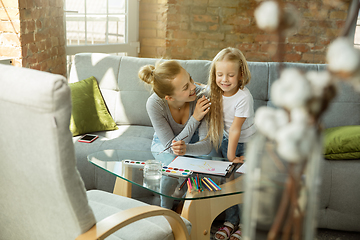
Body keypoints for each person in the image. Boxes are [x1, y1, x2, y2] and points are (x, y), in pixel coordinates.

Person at [138, 60, 212, 210]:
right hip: (164, 145)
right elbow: (171, 149)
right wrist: (195, 118)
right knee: (172, 164)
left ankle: (185, 207)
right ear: (169, 98)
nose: (193, 86)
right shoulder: (154, 104)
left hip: (194, 144)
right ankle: (165, 211)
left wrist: (187, 149)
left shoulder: (201, 96)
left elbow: (207, 145)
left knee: (207, 163)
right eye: (186, 87)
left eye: (190, 78)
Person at [206, 47, 256, 240]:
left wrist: (230, 157)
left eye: (230, 75)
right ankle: (230, 221)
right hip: (227, 141)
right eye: (220, 74)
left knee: (241, 184)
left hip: (244, 144)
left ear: (241, 74)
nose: (224, 80)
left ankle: (245, 224)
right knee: (228, 184)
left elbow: (235, 129)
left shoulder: (244, 97)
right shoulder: (215, 92)